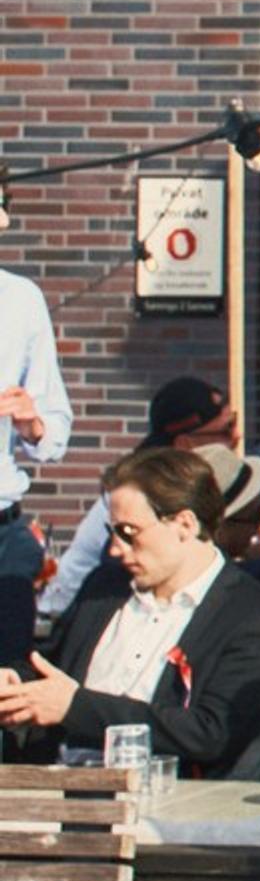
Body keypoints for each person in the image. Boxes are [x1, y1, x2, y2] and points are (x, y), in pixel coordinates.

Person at [0, 447, 260, 774]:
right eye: (112, 533)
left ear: (184, 524)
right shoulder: (106, 585)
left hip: (167, 802)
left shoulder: (255, 612)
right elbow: (54, 668)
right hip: (55, 785)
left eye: (129, 533)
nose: (115, 548)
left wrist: (75, 708)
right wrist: (16, 682)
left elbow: (210, 732)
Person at [43, 375, 238, 622]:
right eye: (226, 429)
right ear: (185, 443)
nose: (237, 436)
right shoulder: (138, 495)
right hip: (80, 615)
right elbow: (119, 570)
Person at [0, 257, 71, 669]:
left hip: (4, 534)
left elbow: (54, 430)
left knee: (8, 687)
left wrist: (32, 423)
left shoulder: (20, 299)